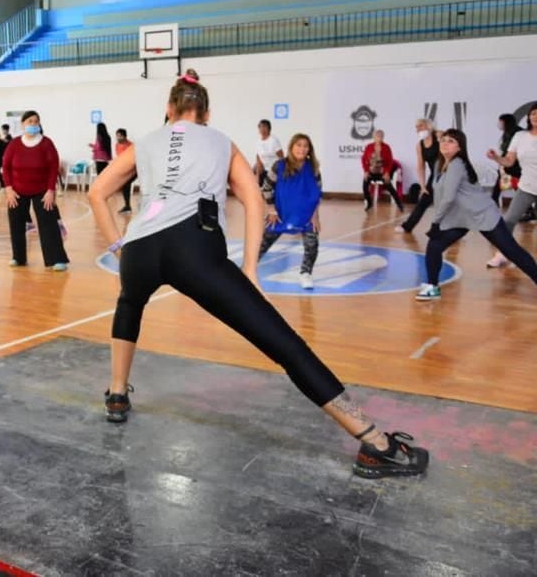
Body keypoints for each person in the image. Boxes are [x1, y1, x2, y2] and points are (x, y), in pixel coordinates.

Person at [88, 72, 428, 480]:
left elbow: (96, 193)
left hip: (140, 248)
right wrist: (249, 269)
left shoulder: (145, 142)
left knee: (130, 303)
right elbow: (252, 199)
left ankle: (118, 394)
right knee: (283, 344)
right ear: (206, 113)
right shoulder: (221, 141)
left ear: (169, 109)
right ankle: (375, 443)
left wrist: (118, 249)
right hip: (194, 250)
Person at [416, 128, 537, 300]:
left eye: (451, 141)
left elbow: (448, 197)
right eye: (443, 139)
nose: (445, 143)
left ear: (460, 148)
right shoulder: (439, 164)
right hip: (460, 218)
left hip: (482, 214)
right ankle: (432, 287)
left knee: (512, 251)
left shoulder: (457, 164)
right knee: (434, 245)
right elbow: (441, 195)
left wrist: (436, 223)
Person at [2, 110, 69, 271]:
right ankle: (18, 257)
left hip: (42, 190)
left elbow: (54, 168)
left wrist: (51, 190)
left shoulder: (46, 143)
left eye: (36, 121)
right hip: (17, 191)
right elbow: (6, 167)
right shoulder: (14, 144)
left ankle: (57, 259)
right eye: (30, 121)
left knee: (49, 224)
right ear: (23, 124)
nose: (33, 124)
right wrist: (9, 189)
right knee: (16, 224)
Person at [259, 134, 322, 290]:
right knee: (262, 243)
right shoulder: (279, 165)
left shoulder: (313, 168)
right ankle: (246, 270)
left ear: (309, 150)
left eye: (305, 146)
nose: (302, 148)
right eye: (298, 145)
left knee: (312, 245)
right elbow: (266, 188)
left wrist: (315, 215)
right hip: (280, 214)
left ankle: (306, 273)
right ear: (291, 147)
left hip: (307, 214)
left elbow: (317, 192)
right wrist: (272, 210)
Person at [486, 104, 537, 268]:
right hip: (527, 187)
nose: (535, 117)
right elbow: (509, 161)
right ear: (529, 117)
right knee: (508, 222)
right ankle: (502, 254)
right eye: (533, 114)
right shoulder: (520, 136)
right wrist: (496, 158)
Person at [396, 119, 439, 233]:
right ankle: (407, 226)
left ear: (428, 126)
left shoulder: (439, 136)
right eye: (416, 127)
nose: (418, 129)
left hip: (449, 175)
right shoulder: (419, 145)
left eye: (421, 126)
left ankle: (445, 230)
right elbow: (421, 166)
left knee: (448, 205)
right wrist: (423, 185)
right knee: (423, 201)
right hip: (435, 177)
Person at [361, 130, 404, 211]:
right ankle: (370, 203)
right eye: (377, 136)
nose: (379, 138)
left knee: (389, 187)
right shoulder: (369, 147)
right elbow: (363, 159)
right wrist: (366, 171)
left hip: (382, 172)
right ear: (373, 137)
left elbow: (390, 161)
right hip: (371, 172)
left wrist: (387, 173)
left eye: (381, 136)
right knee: (364, 185)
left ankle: (399, 204)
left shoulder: (386, 147)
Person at [490, 113, 522, 205]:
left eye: (500, 121)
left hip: (516, 166)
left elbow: (510, 151)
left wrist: (501, 162)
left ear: (506, 122)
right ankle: (493, 202)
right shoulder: (508, 133)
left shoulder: (517, 133)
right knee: (514, 185)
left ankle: (493, 202)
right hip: (510, 166)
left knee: (520, 187)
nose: (498, 124)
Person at [252, 119, 283, 187]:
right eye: (260, 127)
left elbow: (281, 157)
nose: (262, 129)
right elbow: (258, 158)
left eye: (264, 127)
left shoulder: (273, 140)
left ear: (269, 129)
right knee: (253, 173)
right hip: (264, 169)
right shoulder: (258, 142)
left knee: (268, 188)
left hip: (274, 170)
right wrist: (257, 175)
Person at [115, 128, 134, 214]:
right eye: (117, 136)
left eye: (120, 136)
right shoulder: (117, 145)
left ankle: (127, 206)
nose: (118, 138)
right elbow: (119, 157)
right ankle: (127, 206)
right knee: (125, 186)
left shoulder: (131, 145)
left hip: (132, 169)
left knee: (126, 185)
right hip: (123, 169)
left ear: (124, 136)